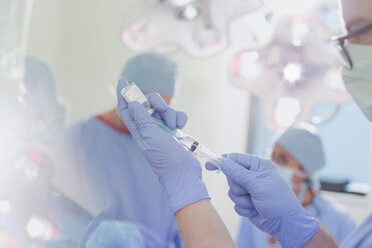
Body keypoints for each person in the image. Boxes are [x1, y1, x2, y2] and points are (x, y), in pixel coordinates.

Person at [116, 0, 372, 246]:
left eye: (358, 32)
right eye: (348, 37)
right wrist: (299, 232)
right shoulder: (270, 213)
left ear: (306, 168)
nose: (349, 54)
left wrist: (185, 190)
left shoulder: (339, 220)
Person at [59, 53, 182, 247]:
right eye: (149, 106)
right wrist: (105, 237)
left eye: (165, 107)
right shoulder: (79, 138)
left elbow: (180, 221)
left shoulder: (168, 150)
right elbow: (57, 212)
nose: (156, 117)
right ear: (125, 93)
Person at [236, 124, 356, 247]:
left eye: (283, 159)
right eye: (272, 155)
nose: (272, 164)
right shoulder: (256, 209)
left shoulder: (339, 220)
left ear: (305, 169)